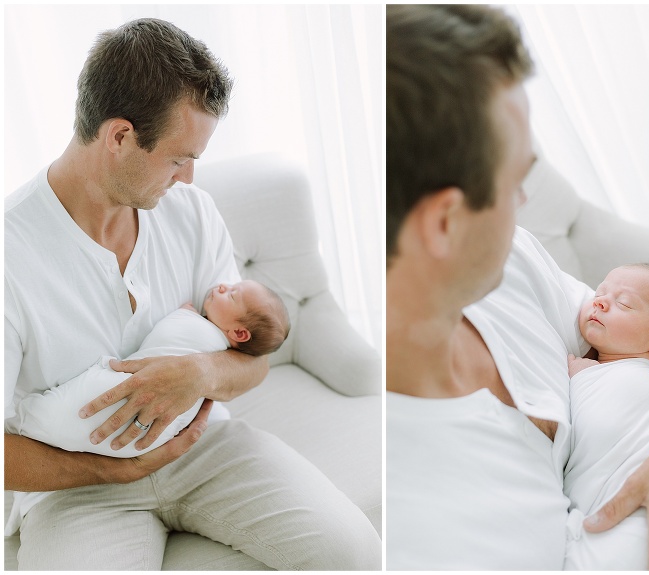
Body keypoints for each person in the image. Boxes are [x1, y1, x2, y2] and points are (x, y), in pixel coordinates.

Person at [386, 4, 649, 571]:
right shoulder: (427, 523)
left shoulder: (515, 263)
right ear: (444, 223)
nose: (524, 204)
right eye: (515, 182)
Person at [5, 17, 381, 570]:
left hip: (203, 447)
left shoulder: (191, 213)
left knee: (354, 554)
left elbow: (252, 361)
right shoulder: (10, 255)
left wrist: (199, 374)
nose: (187, 179)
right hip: (76, 487)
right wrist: (109, 468)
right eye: (179, 159)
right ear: (119, 137)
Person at [16, 280, 290, 458]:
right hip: (143, 450)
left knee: (89, 405)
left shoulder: (201, 329)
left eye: (231, 294)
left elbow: (259, 364)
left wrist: (185, 316)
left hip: (185, 442)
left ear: (240, 333)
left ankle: (26, 418)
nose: (222, 286)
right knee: (95, 407)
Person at [564, 263, 649, 569]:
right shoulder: (610, 372)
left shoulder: (637, 380)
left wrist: (581, 377)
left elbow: (601, 428)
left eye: (624, 303)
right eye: (599, 293)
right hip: (601, 517)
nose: (600, 302)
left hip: (632, 522)